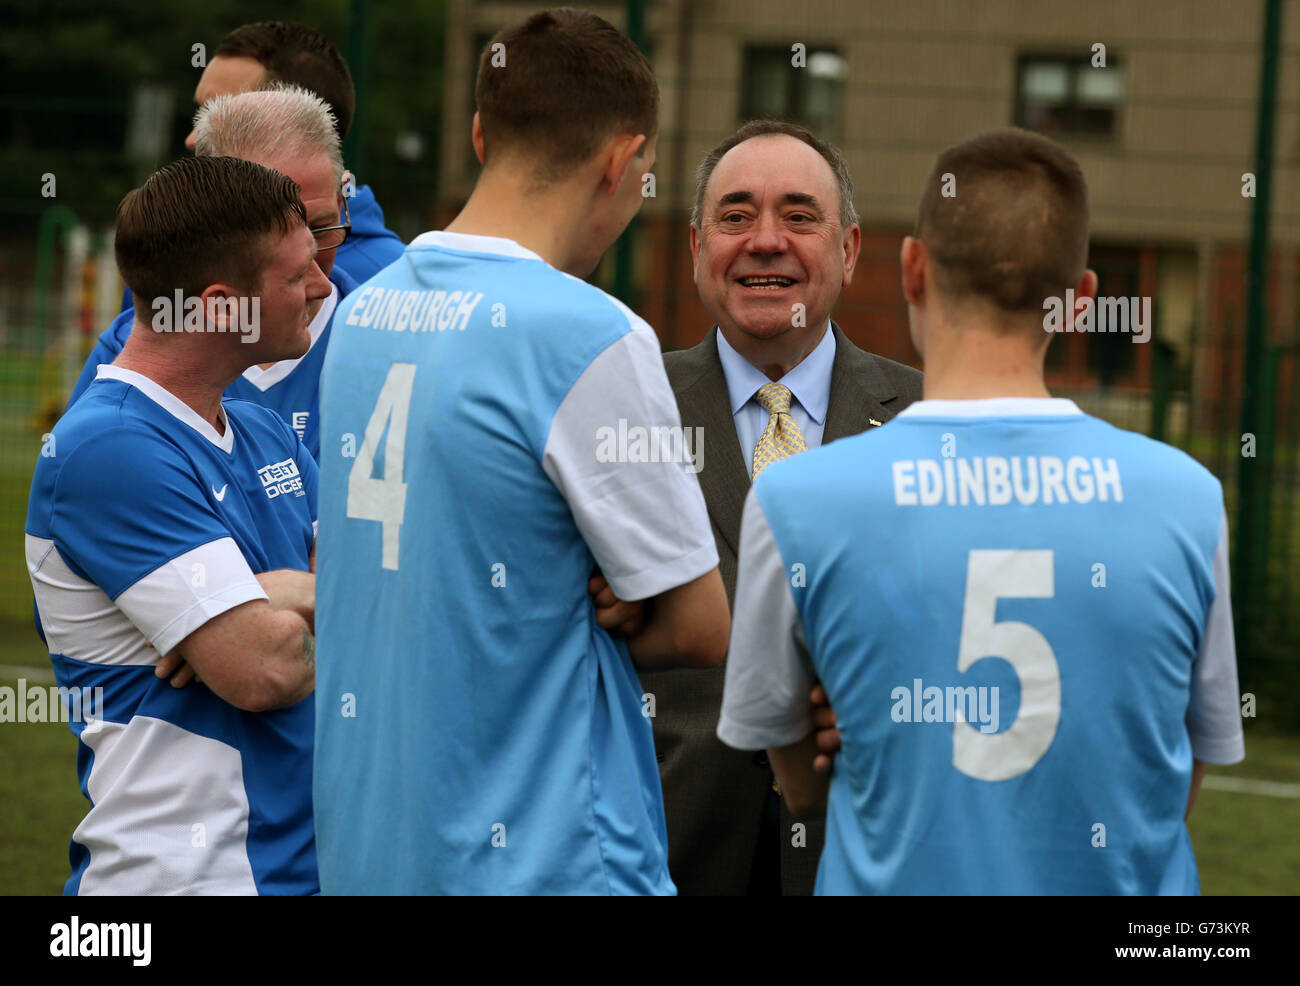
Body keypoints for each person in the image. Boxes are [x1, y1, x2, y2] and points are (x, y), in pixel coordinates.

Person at [717, 127, 1245, 894]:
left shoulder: (797, 497)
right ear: (1079, 301)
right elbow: (1179, 779)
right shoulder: (1187, 498)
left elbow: (798, 784)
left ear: (913, 269)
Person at [313, 8, 729, 896]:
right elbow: (700, 626)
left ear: (476, 135)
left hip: (369, 850)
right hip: (544, 861)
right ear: (621, 160)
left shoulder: (361, 313)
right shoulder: (589, 331)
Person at [25, 155, 330, 894]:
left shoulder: (265, 431)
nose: (324, 287)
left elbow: (386, 607)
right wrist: (295, 599)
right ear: (224, 306)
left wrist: (276, 597)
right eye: (296, 276)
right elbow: (266, 668)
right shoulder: (108, 449)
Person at [638, 120, 922, 896]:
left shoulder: (929, 423)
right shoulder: (626, 411)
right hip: (671, 851)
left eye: (799, 217)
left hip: (871, 852)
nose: (766, 241)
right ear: (696, 247)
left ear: (851, 250)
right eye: (735, 216)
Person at [70, 86, 355, 460]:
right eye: (278, 236)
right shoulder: (133, 360)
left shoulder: (381, 336)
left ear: (341, 198)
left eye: (321, 225)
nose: (311, 261)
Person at [185, 20, 405, 283]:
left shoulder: (392, 284)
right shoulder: (166, 259)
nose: (191, 139)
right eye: (200, 114)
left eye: (217, 116)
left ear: (303, 121)